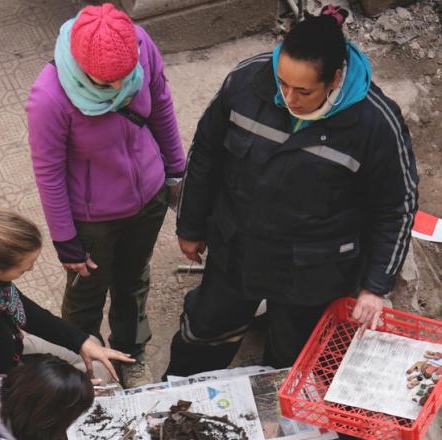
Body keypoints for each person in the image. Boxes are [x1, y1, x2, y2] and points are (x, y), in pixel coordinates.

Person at [165, 5, 418, 377]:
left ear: (334, 79)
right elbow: (206, 153)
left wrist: (374, 286)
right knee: (205, 330)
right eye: (281, 82)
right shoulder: (246, 81)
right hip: (237, 245)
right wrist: (190, 224)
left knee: (293, 355)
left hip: (313, 269)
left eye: (303, 90)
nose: (288, 97)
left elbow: (397, 205)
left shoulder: (375, 123)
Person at [27, 3, 186, 388]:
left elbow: (161, 103)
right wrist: (66, 240)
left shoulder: (141, 45)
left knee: (133, 281)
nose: (119, 88)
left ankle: (130, 354)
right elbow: (48, 174)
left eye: (125, 77)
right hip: (91, 218)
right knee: (86, 295)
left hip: (148, 198)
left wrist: (176, 169)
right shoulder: (49, 97)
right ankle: (82, 364)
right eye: (104, 81)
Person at [0, 199, 134, 417]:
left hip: (2, 346)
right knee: (95, 377)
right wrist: (70, 397)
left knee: (93, 346)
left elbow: (16, 302)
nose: (30, 270)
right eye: (23, 269)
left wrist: (79, 341)